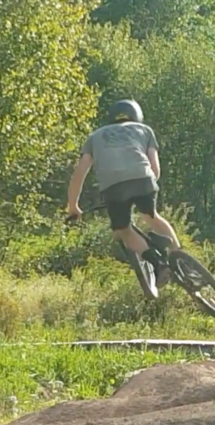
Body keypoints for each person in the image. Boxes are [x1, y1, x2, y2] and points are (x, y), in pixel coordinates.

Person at [65, 99, 182, 298]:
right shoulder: (144, 130)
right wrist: (148, 184)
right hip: (143, 177)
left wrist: (73, 205)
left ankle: (157, 264)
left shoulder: (95, 136)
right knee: (150, 216)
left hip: (113, 187)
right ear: (137, 116)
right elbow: (155, 167)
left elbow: (80, 171)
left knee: (123, 231)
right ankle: (179, 256)